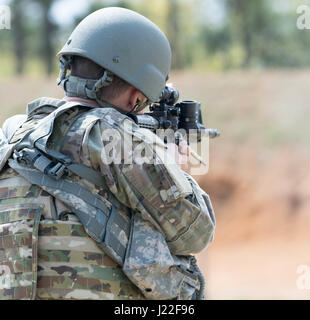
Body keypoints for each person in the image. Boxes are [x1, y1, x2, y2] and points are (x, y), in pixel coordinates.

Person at [0, 7, 215, 300]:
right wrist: (175, 168)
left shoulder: (12, 135)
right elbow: (195, 234)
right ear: (136, 97)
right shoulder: (116, 137)